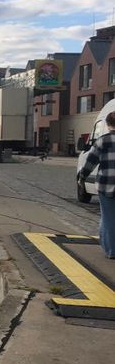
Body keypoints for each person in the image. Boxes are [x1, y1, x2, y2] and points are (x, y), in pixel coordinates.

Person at [78, 110, 115, 258]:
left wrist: (82, 177)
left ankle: (111, 251)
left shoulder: (102, 141)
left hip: (106, 185)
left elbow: (89, 162)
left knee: (108, 218)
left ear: (107, 124)